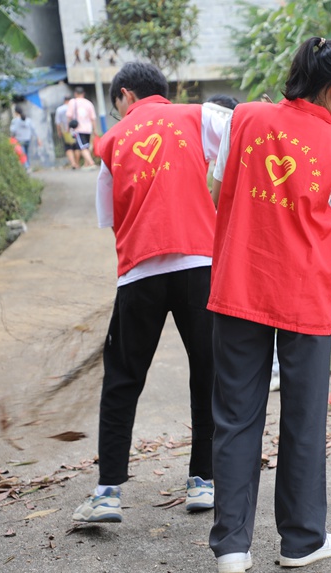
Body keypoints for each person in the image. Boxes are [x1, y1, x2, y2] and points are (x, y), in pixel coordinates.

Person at [207, 36, 331, 573]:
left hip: (239, 284)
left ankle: (232, 548)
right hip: (305, 293)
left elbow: (218, 192)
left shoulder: (246, 119)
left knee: (235, 417)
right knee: (303, 419)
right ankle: (301, 541)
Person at [72, 61, 227, 524]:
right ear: (164, 91)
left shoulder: (111, 140)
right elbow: (240, 142)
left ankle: (107, 493)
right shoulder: (199, 116)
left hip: (140, 270)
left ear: (124, 96)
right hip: (199, 262)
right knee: (208, 371)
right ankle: (204, 481)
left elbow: (109, 217)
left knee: (122, 378)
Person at [203, 93, 284, 391]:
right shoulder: (256, 136)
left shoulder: (234, 136)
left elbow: (216, 196)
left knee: (254, 315)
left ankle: (265, 371)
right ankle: (273, 368)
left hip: (245, 244)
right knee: (269, 310)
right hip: (265, 244)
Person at [66, 86, 98, 169]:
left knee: (82, 147)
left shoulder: (72, 102)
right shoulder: (89, 103)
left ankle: (91, 163)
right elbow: (93, 118)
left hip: (78, 129)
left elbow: (69, 116)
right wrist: (95, 129)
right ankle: (86, 164)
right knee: (86, 146)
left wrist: (67, 128)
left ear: (75, 94)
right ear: (83, 94)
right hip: (88, 128)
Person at [55, 94, 80, 169]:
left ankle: (73, 163)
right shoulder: (74, 108)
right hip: (76, 130)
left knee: (68, 147)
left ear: (64, 100)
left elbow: (58, 122)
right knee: (76, 147)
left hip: (65, 131)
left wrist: (59, 131)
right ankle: (77, 163)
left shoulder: (59, 109)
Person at [10, 105, 38, 170]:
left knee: (22, 154)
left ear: (15, 112)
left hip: (20, 140)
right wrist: (37, 138)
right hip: (28, 139)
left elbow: (12, 130)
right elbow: (33, 129)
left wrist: (12, 137)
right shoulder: (28, 120)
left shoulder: (15, 121)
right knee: (26, 154)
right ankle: (27, 167)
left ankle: (27, 167)